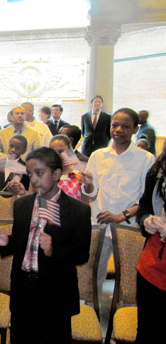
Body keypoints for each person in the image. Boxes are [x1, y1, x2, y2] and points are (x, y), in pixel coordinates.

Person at [0, 147, 91, 343]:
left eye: (39, 173)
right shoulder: (22, 205)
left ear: (57, 173)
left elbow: (81, 254)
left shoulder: (78, 211)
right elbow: (22, 241)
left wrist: (53, 250)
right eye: (30, 174)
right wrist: (7, 241)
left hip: (55, 293)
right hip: (23, 289)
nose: (33, 179)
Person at [80, 108, 155, 297]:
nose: (119, 129)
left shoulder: (145, 159)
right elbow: (91, 193)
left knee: (129, 279)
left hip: (130, 227)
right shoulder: (98, 156)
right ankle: (92, 316)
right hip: (100, 224)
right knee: (93, 276)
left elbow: (146, 199)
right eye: (115, 125)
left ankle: (125, 316)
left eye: (125, 126)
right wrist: (88, 185)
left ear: (135, 129)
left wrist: (122, 215)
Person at [135, 145, 166, 343]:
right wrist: (146, 220)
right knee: (147, 332)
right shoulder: (157, 171)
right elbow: (144, 206)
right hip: (152, 268)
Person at [49, 135, 85, 202]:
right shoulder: (45, 177)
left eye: (60, 151)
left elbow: (86, 202)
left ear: (69, 150)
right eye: (53, 152)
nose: (57, 155)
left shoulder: (79, 177)